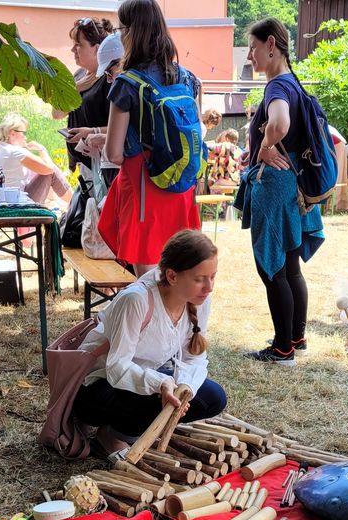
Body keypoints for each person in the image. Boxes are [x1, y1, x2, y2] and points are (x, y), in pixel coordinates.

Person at [73, 229, 226, 455]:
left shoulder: (200, 301)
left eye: (212, 276)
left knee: (213, 398)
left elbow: (195, 358)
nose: (209, 286)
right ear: (172, 276)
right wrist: (160, 384)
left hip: (145, 379)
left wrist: (184, 389)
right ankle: (112, 436)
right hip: (96, 391)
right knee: (153, 396)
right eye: (199, 279)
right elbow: (116, 368)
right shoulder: (137, 300)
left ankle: (133, 427)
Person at [235, 17, 325, 365]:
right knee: (289, 266)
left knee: (270, 267)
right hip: (295, 186)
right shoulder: (294, 84)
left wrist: (263, 147)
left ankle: (282, 349)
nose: (250, 57)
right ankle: (296, 338)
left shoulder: (276, 87)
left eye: (254, 49)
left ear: (271, 45)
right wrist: (261, 145)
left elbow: (280, 124)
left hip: (276, 186)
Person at [99, 0, 202, 277]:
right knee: (180, 276)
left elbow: (114, 154)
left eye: (121, 28)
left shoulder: (127, 83)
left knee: (150, 286)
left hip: (145, 191)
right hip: (181, 188)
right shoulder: (187, 78)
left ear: (131, 32)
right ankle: (185, 323)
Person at [55, 16, 115, 180]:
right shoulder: (79, 75)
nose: (73, 50)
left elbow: (122, 128)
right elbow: (57, 113)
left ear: (96, 48)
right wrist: (77, 88)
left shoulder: (110, 79)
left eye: (78, 45)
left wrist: (91, 132)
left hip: (103, 167)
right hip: (84, 167)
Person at [0, 113, 73, 205]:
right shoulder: (16, 152)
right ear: (12, 133)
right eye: (24, 133)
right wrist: (42, 149)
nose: (26, 137)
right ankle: (76, 202)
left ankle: (69, 201)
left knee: (40, 171)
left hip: (11, 198)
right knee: (52, 171)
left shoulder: (3, 148)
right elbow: (49, 169)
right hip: (19, 202)